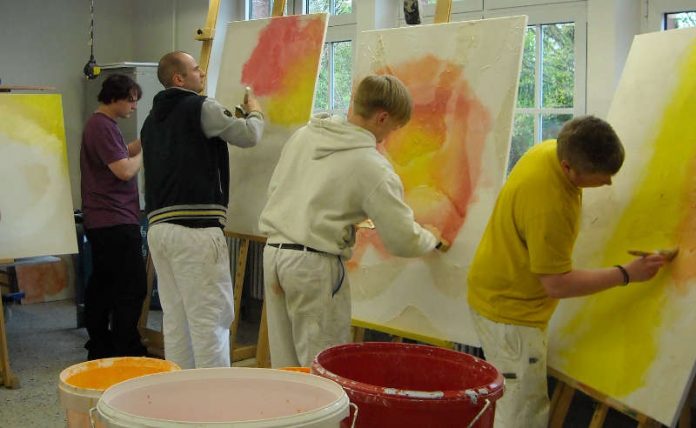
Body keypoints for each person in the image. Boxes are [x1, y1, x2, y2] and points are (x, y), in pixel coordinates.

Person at [467, 116, 667, 428]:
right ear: (567, 168)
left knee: (512, 402)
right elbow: (557, 285)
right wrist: (626, 273)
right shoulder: (549, 207)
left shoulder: (548, 150)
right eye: (600, 178)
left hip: (494, 289)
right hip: (510, 315)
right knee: (522, 414)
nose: (608, 183)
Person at [259, 74, 447, 368]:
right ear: (382, 117)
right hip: (313, 266)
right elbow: (401, 238)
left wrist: (331, 215)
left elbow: (280, 190)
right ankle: (321, 416)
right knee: (322, 366)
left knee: (286, 365)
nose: (390, 136)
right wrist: (430, 237)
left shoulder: (305, 136)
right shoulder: (371, 166)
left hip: (274, 254)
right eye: (395, 127)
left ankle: (289, 413)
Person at [140, 51, 264, 369]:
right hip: (195, 232)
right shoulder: (201, 106)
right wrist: (255, 113)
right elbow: (249, 136)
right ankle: (215, 405)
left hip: (159, 231)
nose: (202, 73)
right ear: (179, 79)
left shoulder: (151, 121)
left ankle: (181, 398)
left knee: (177, 321)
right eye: (196, 69)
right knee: (210, 322)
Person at [80, 73, 147, 360]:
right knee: (131, 286)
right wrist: (147, 153)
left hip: (105, 220)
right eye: (131, 101)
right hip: (114, 220)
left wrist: (142, 142)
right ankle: (126, 347)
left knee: (104, 284)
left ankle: (101, 345)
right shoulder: (102, 127)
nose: (133, 106)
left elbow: (121, 154)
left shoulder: (103, 125)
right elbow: (124, 170)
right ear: (115, 98)